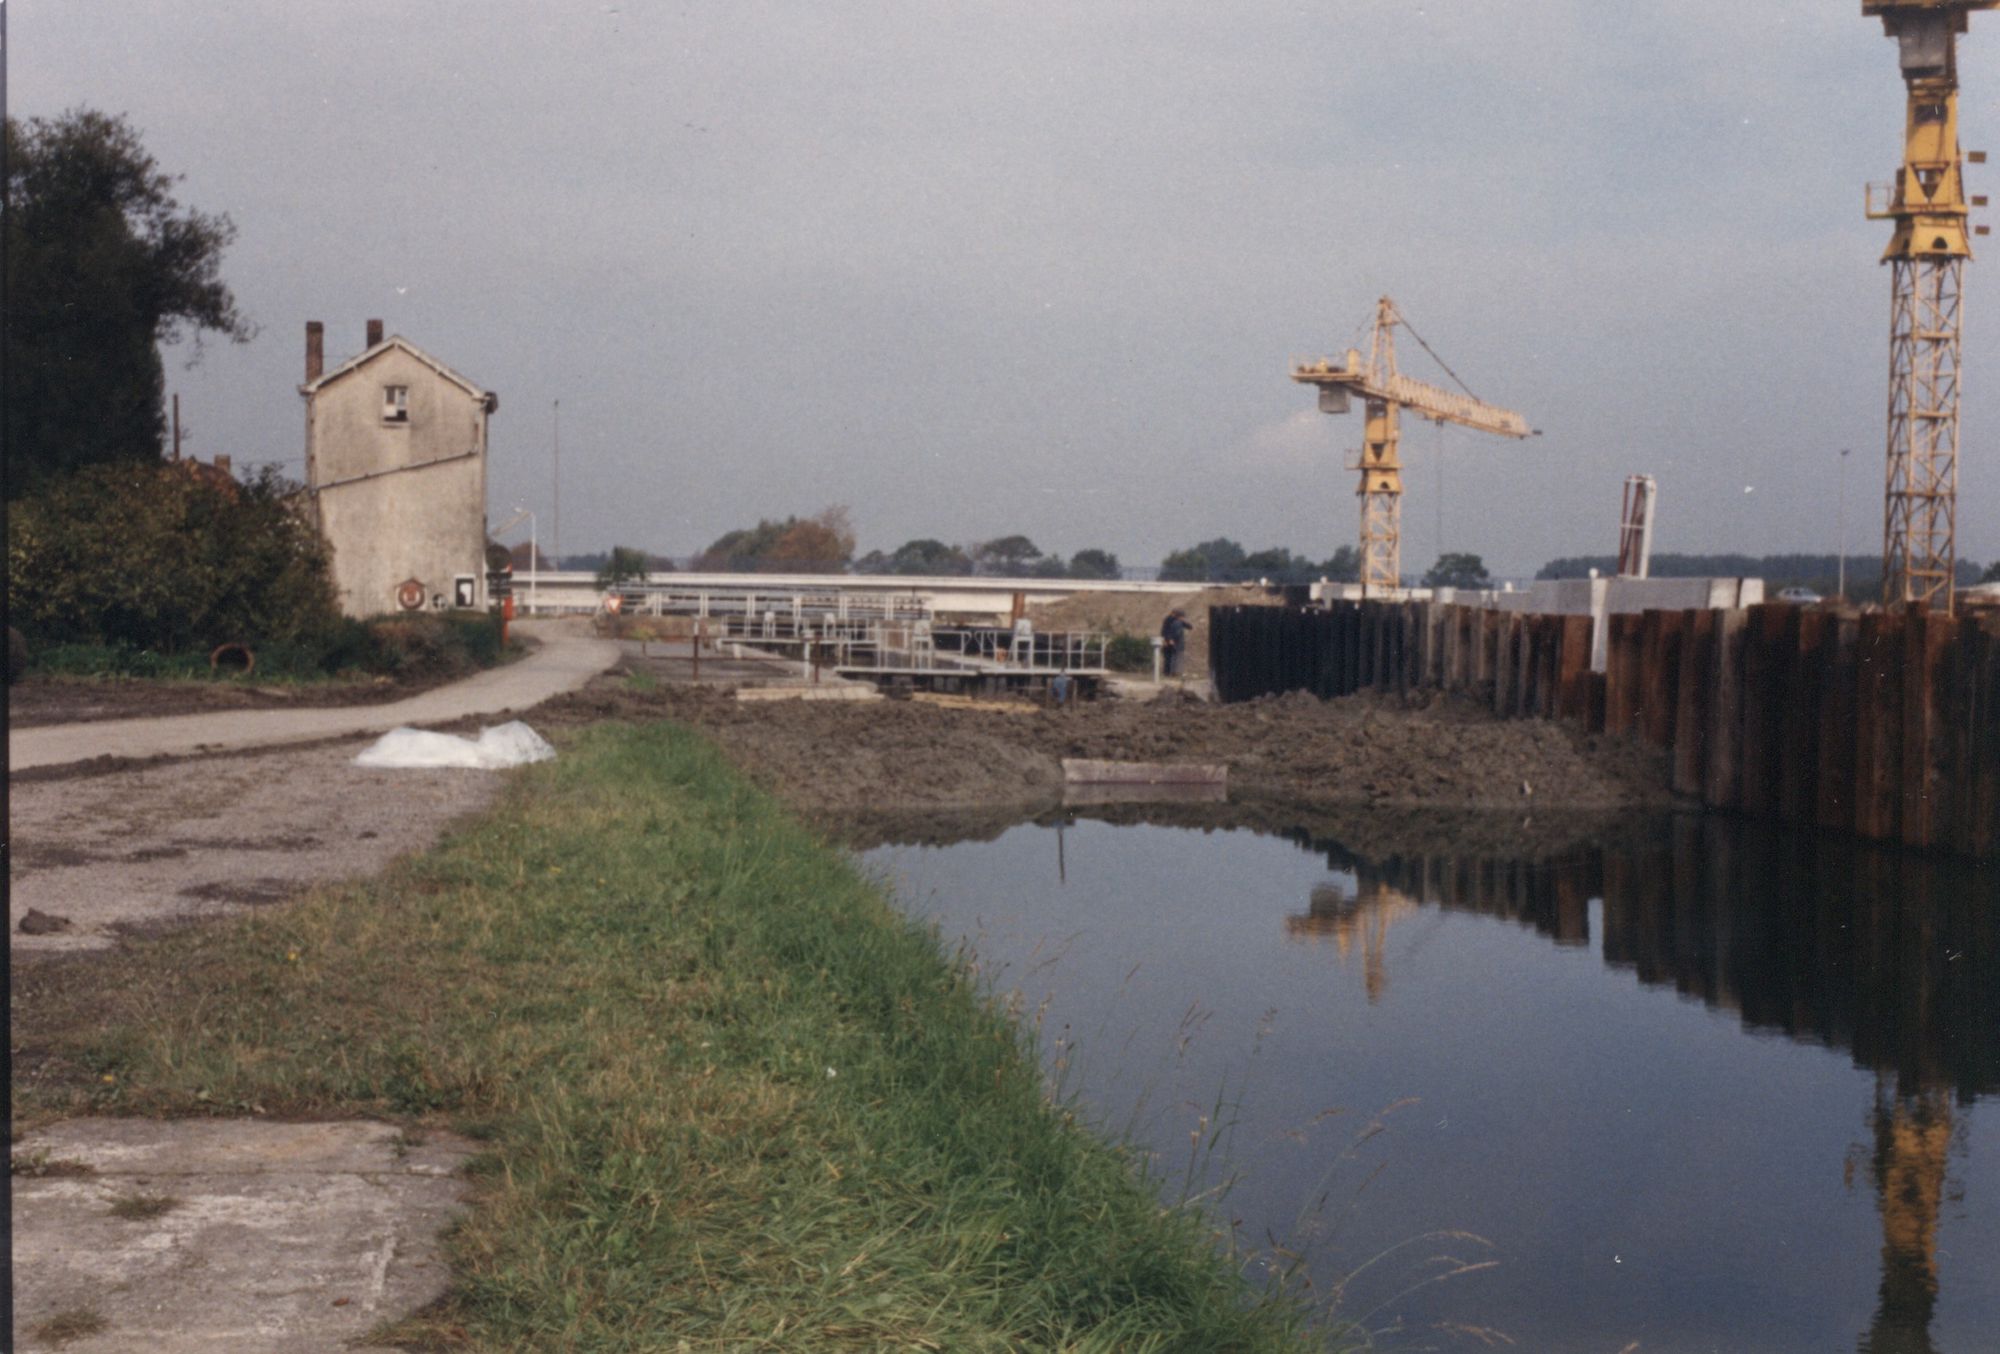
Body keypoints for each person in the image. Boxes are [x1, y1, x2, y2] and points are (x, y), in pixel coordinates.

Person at [1160, 608, 1193, 677]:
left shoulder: (1178, 620)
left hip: (1173, 641)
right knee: (1169, 657)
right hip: (1169, 641)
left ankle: (1170, 673)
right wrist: (1167, 640)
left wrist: (1185, 622)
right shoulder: (1169, 620)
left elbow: (1190, 627)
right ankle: (1168, 673)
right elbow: (1165, 631)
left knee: (1172, 657)